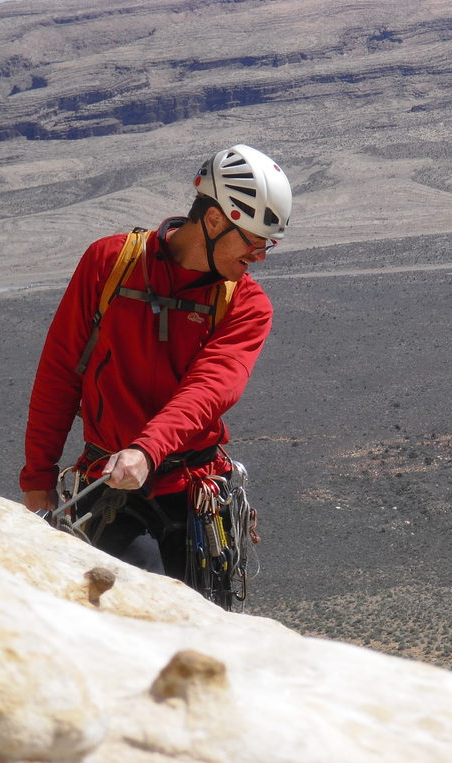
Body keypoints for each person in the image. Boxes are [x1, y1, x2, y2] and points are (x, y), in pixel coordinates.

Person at [20, 143, 291, 603]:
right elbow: (61, 370)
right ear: (213, 220)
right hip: (108, 485)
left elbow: (208, 390)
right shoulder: (109, 263)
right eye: (253, 240)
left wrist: (147, 450)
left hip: (190, 493)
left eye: (268, 243)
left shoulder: (246, 305)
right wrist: (38, 477)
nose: (261, 255)